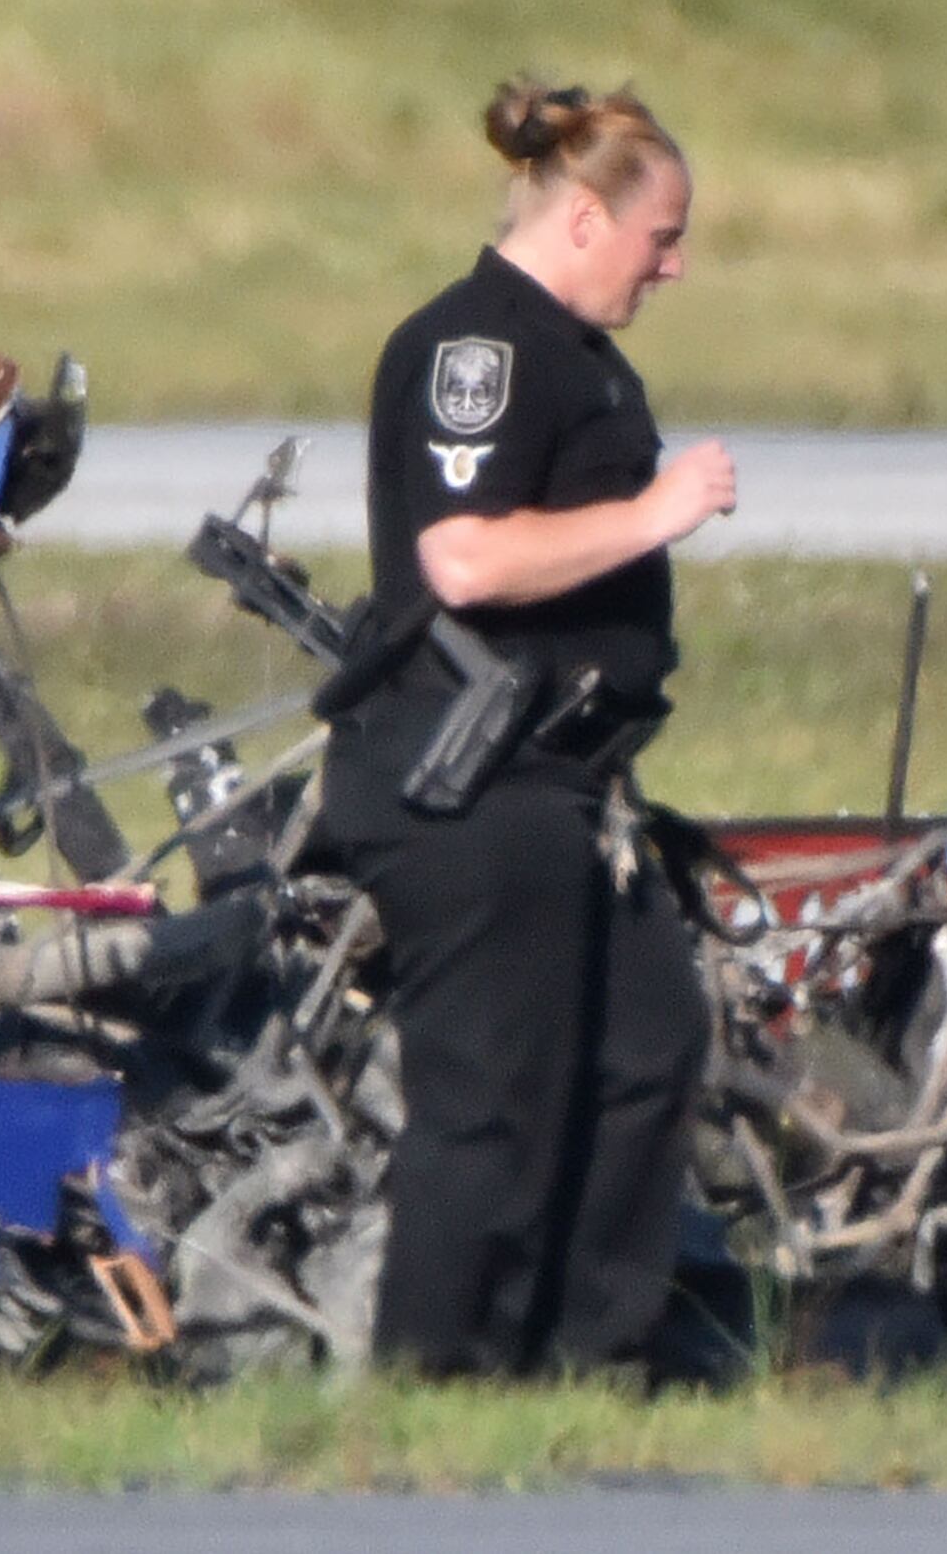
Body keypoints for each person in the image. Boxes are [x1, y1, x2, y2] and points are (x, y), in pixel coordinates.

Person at [316, 77, 737, 1379]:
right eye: (659, 237)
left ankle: (586, 1370)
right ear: (584, 217)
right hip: (468, 780)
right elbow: (465, 558)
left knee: (646, 1050)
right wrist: (656, 513)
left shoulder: (578, 355)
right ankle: (438, 1386)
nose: (671, 267)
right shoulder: (477, 349)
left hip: (565, 784)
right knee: (491, 1102)